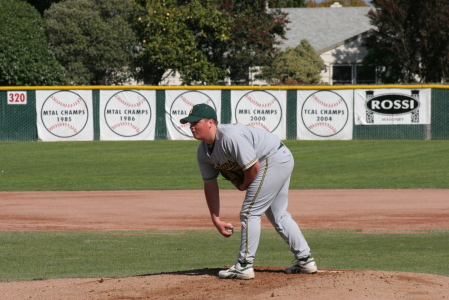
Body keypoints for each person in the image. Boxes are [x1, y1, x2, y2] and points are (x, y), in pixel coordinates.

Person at [180, 104, 317, 280]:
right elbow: (210, 185)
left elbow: (253, 167)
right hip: (279, 157)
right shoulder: (203, 153)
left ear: (210, 123)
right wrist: (216, 219)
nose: (191, 127)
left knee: (249, 212)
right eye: (189, 123)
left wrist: (244, 185)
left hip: (271, 158)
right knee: (278, 214)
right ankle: (305, 260)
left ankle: (244, 265)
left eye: (195, 122)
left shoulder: (230, 137)